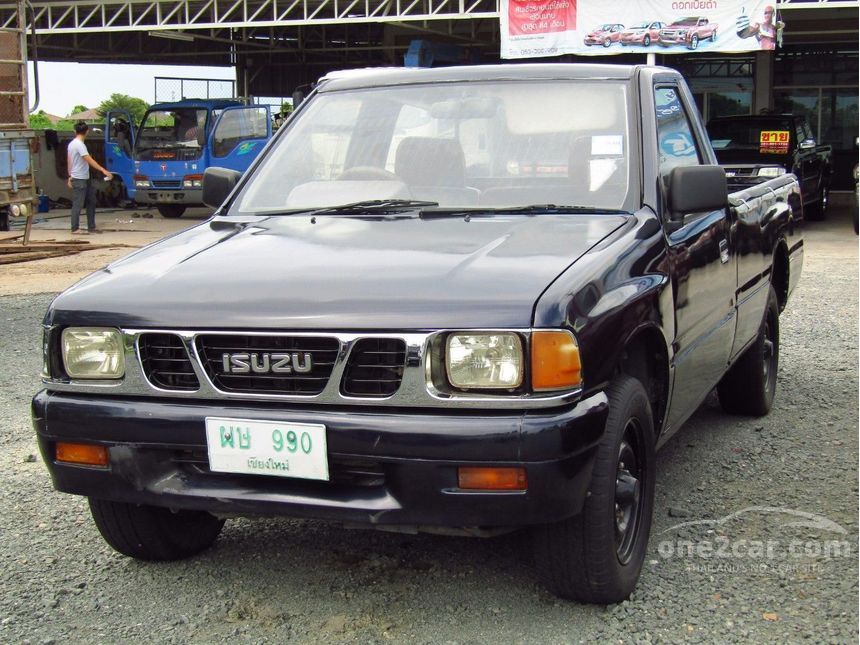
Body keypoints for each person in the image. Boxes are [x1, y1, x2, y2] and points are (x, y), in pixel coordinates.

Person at [67, 121, 113, 235]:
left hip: (83, 177)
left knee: (91, 201)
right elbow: (89, 160)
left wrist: (69, 175)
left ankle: (91, 227)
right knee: (78, 203)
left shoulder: (72, 144)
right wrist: (103, 170)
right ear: (87, 132)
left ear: (75, 131)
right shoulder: (79, 145)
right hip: (80, 178)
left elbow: (69, 161)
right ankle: (75, 228)